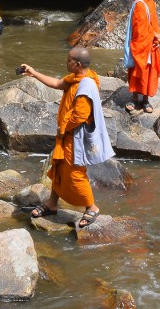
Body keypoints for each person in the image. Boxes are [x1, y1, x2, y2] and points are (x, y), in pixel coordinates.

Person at [20, 48, 109, 228]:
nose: (66, 62)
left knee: (75, 174)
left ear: (77, 64)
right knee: (58, 169)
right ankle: (52, 203)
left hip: (75, 137)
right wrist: (33, 73)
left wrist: (63, 129)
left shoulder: (87, 84)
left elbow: (80, 115)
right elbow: (56, 83)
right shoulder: (75, 78)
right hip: (66, 136)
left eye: (69, 60)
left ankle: (91, 207)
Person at [124, 0, 160, 113]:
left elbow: (151, 23)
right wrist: (156, 35)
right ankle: (134, 98)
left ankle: (145, 100)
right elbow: (140, 28)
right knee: (138, 69)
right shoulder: (140, 4)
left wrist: (157, 37)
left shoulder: (150, 2)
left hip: (151, 43)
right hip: (142, 43)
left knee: (149, 70)